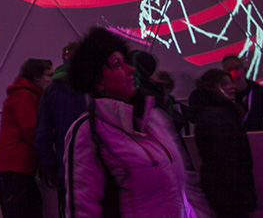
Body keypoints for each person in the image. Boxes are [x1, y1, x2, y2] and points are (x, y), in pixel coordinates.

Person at [63, 27, 209, 217]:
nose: (131, 69)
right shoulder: (88, 132)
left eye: (127, 62)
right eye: (117, 64)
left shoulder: (155, 119)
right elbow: (84, 208)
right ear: (98, 81)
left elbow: (187, 186)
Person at [188, 68, 257, 218]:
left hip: (225, 189)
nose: (232, 86)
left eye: (231, 82)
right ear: (212, 87)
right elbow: (223, 159)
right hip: (229, 190)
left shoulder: (217, 113)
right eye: (225, 84)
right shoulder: (217, 115)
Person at [0, 58, 53, 218]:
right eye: (48, 75)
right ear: (36, 76)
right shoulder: (23, 96)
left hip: (14, 168)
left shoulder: (27, 95)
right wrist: (52, 137)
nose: (52, 80)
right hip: (14, 168)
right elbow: (30, 130)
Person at [34, 40, 87, 218]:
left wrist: (53, 171)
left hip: (67, 171)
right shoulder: (95, 85)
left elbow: (42, 138)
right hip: (95, 170)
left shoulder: (52, 91)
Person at [221, 54, 263, 131]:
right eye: (229, 70)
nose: (234, 72)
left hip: (257, 136)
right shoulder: (222, 96)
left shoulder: (260, 92)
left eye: (236, 68)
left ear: (245, 70)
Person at [154, 70, 191, 136]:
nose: (162, 89)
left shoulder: (180, 109)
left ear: (170, 88)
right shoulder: (147, 108)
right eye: (159, 86)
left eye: (166, 87)